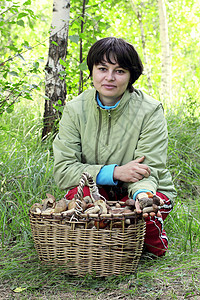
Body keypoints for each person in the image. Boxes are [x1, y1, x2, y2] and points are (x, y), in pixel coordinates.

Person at [53, 37, 176, 257]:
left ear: (131, 76)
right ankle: (107, 245)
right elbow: (63, 171)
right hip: (95, 189)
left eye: (119, 71)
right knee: (81, 204)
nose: (109, 78)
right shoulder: (74, 110)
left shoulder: (150, 110)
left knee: (142, 214)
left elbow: (149, 167)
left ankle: (151, 241)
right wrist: (115, 172)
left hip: (146, 187)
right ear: (91, 71)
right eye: (102, 69)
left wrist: (141, 196)